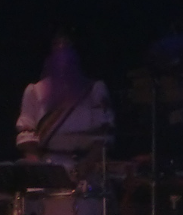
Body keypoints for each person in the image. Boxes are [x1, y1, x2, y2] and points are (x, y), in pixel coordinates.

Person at [16, 35, 114, 180]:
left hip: (89, 171)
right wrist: (39, 170)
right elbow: (27, 136)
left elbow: (104, 136)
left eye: (67, 46)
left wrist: (86, 165)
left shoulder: (94, 90)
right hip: (48, 170)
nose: (62, 53)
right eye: (57, 46)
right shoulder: (34, 91)